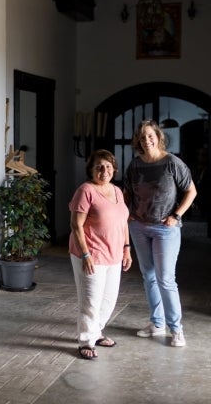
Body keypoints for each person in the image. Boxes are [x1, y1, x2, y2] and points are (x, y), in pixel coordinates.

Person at [123, 119, 197, 347]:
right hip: (139, 226)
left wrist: (176, 216)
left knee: (165, 279)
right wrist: (128, 213)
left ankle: (177, 330)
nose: (146, 140)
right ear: (138, 140)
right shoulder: (135, 165)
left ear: (158, 136)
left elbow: (191, 191)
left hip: (166, 228)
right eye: (142, 137)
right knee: (149, 277)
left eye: (150, 135)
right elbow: (127, 192)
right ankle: (157, 324)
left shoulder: (172, 162)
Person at [69, 149, 132, 360]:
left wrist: (127, 248)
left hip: (114, 254)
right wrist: (85, 254)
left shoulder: (117, 191)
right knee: (90, 301)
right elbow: (76, 225)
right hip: (91, 254)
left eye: (107, 166)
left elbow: (123, 222)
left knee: (108, 300)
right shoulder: (85, 190)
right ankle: (86, 341)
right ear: (91, 170)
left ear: (113, 168)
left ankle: (96, 333)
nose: (104, 170)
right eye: (99, 167)